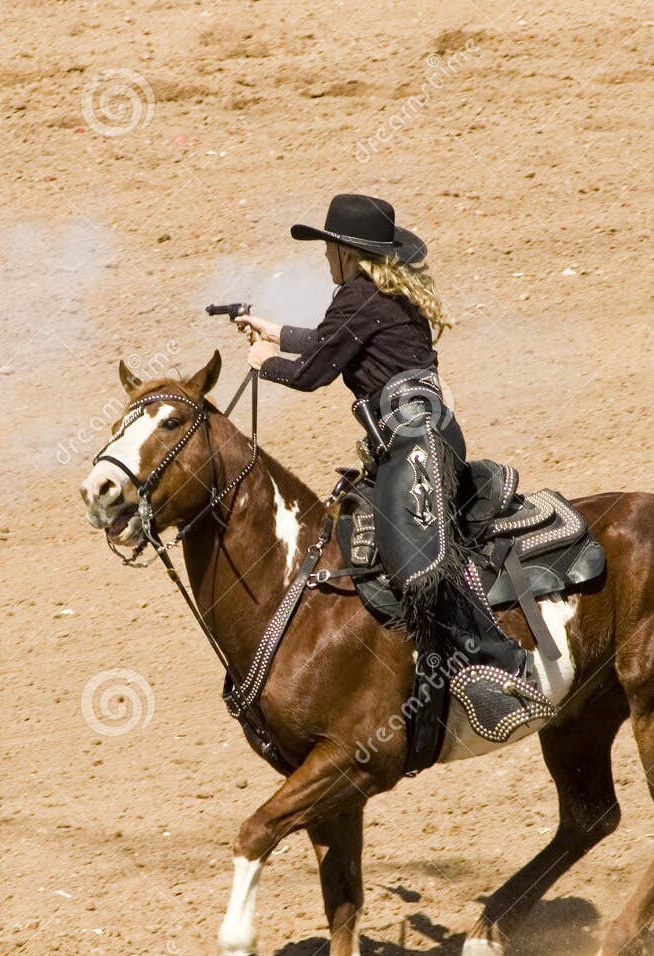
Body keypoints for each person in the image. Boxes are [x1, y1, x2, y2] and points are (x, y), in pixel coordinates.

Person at [235, 194, 548, 736]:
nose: (324, 257)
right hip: (417, 436)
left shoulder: (357, 296)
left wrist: (268, 365)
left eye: (328, 247)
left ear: (343, 251)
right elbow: (330, 342)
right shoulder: (375, 295)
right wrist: (274, 331)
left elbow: (313, 372)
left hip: (413, 441)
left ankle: (504, 662)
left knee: (416, 560)